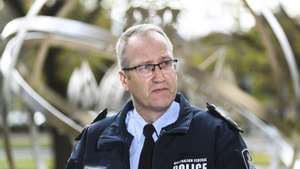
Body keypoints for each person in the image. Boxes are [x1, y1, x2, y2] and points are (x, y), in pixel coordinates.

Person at [65, 24, 255, 169]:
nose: (159, 76)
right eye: (146, 67)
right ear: (124, 80)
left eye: (165, 63)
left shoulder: (217, 134)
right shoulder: (94, 138)